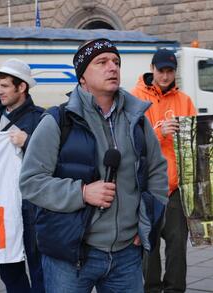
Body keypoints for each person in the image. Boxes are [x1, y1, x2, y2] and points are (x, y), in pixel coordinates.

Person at [19, 38, 168, 293]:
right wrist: (82, 193)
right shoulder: (57, 121)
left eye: (116, 62)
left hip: (126, 257)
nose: (112, 67)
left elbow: (157, 173)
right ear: (82, 78)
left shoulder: (138, 122)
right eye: (102, 62)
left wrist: (145, 225)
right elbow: (31, 182)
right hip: (70, 257)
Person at [131, 48, 196, 293]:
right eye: (161, 70)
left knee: (177, 247)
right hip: (147, 186)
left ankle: (175, 290)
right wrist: (159, 132)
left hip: (176, 188)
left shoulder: (185, 100)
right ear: (152, 69)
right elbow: (131, 140)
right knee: (149, 248)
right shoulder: (135, 98)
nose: (165, 76)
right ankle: (150, 290)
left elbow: (194, 140)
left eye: (170, 71)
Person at [0, 58, 45, 293]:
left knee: (39, 268)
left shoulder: (41, 118)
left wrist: (29, 142)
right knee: (8, 268)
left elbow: (52, 160)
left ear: (22, 87)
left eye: (4, 86)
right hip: (1, 205)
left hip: (32, 206)